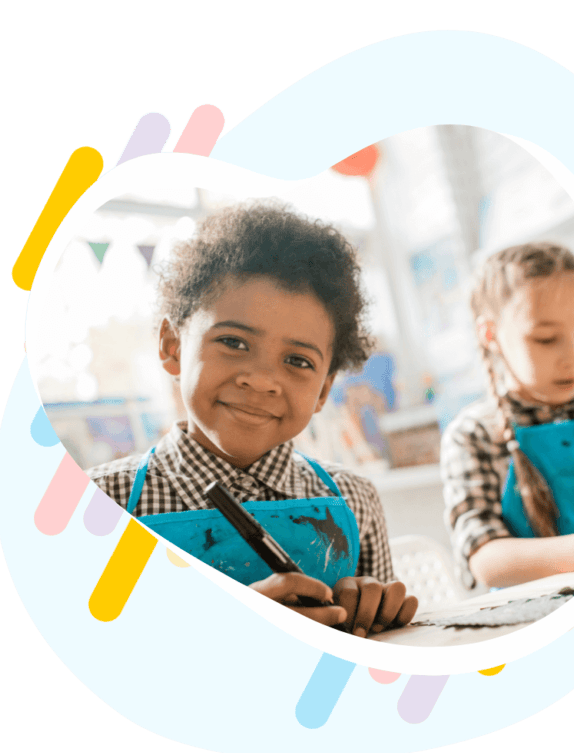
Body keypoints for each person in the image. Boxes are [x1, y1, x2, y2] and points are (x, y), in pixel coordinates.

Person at [89, 202, 417, 636]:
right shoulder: (100, 500)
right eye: (234, 342)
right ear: (172, 346)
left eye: (298, 360)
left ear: (323, 389)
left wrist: (379, 619)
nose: (262, 381)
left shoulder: (354, 499)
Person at [441, 243, 574, 589]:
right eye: (546, 338)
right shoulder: (474, 433)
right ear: (490, 335)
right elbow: (485, 560)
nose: (573, 355)